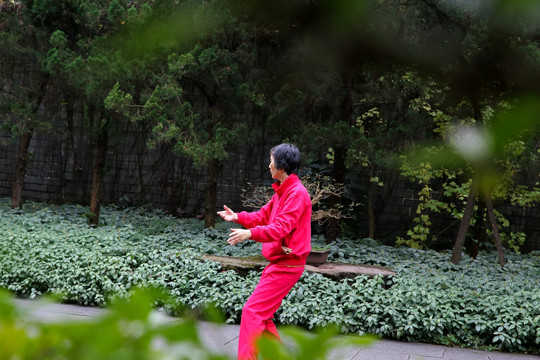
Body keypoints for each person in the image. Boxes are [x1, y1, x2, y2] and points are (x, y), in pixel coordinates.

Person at [217, 143, 312, 360]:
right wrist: (238, 217)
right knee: (263, 315)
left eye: (271, 161)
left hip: (287, 265)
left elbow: (280, 228)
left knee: (252, 311)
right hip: (280, 263)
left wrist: (249, 234)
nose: (269, 165)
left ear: (282, 165)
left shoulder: (297, 194)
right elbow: (262, 215)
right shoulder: (283, 190)